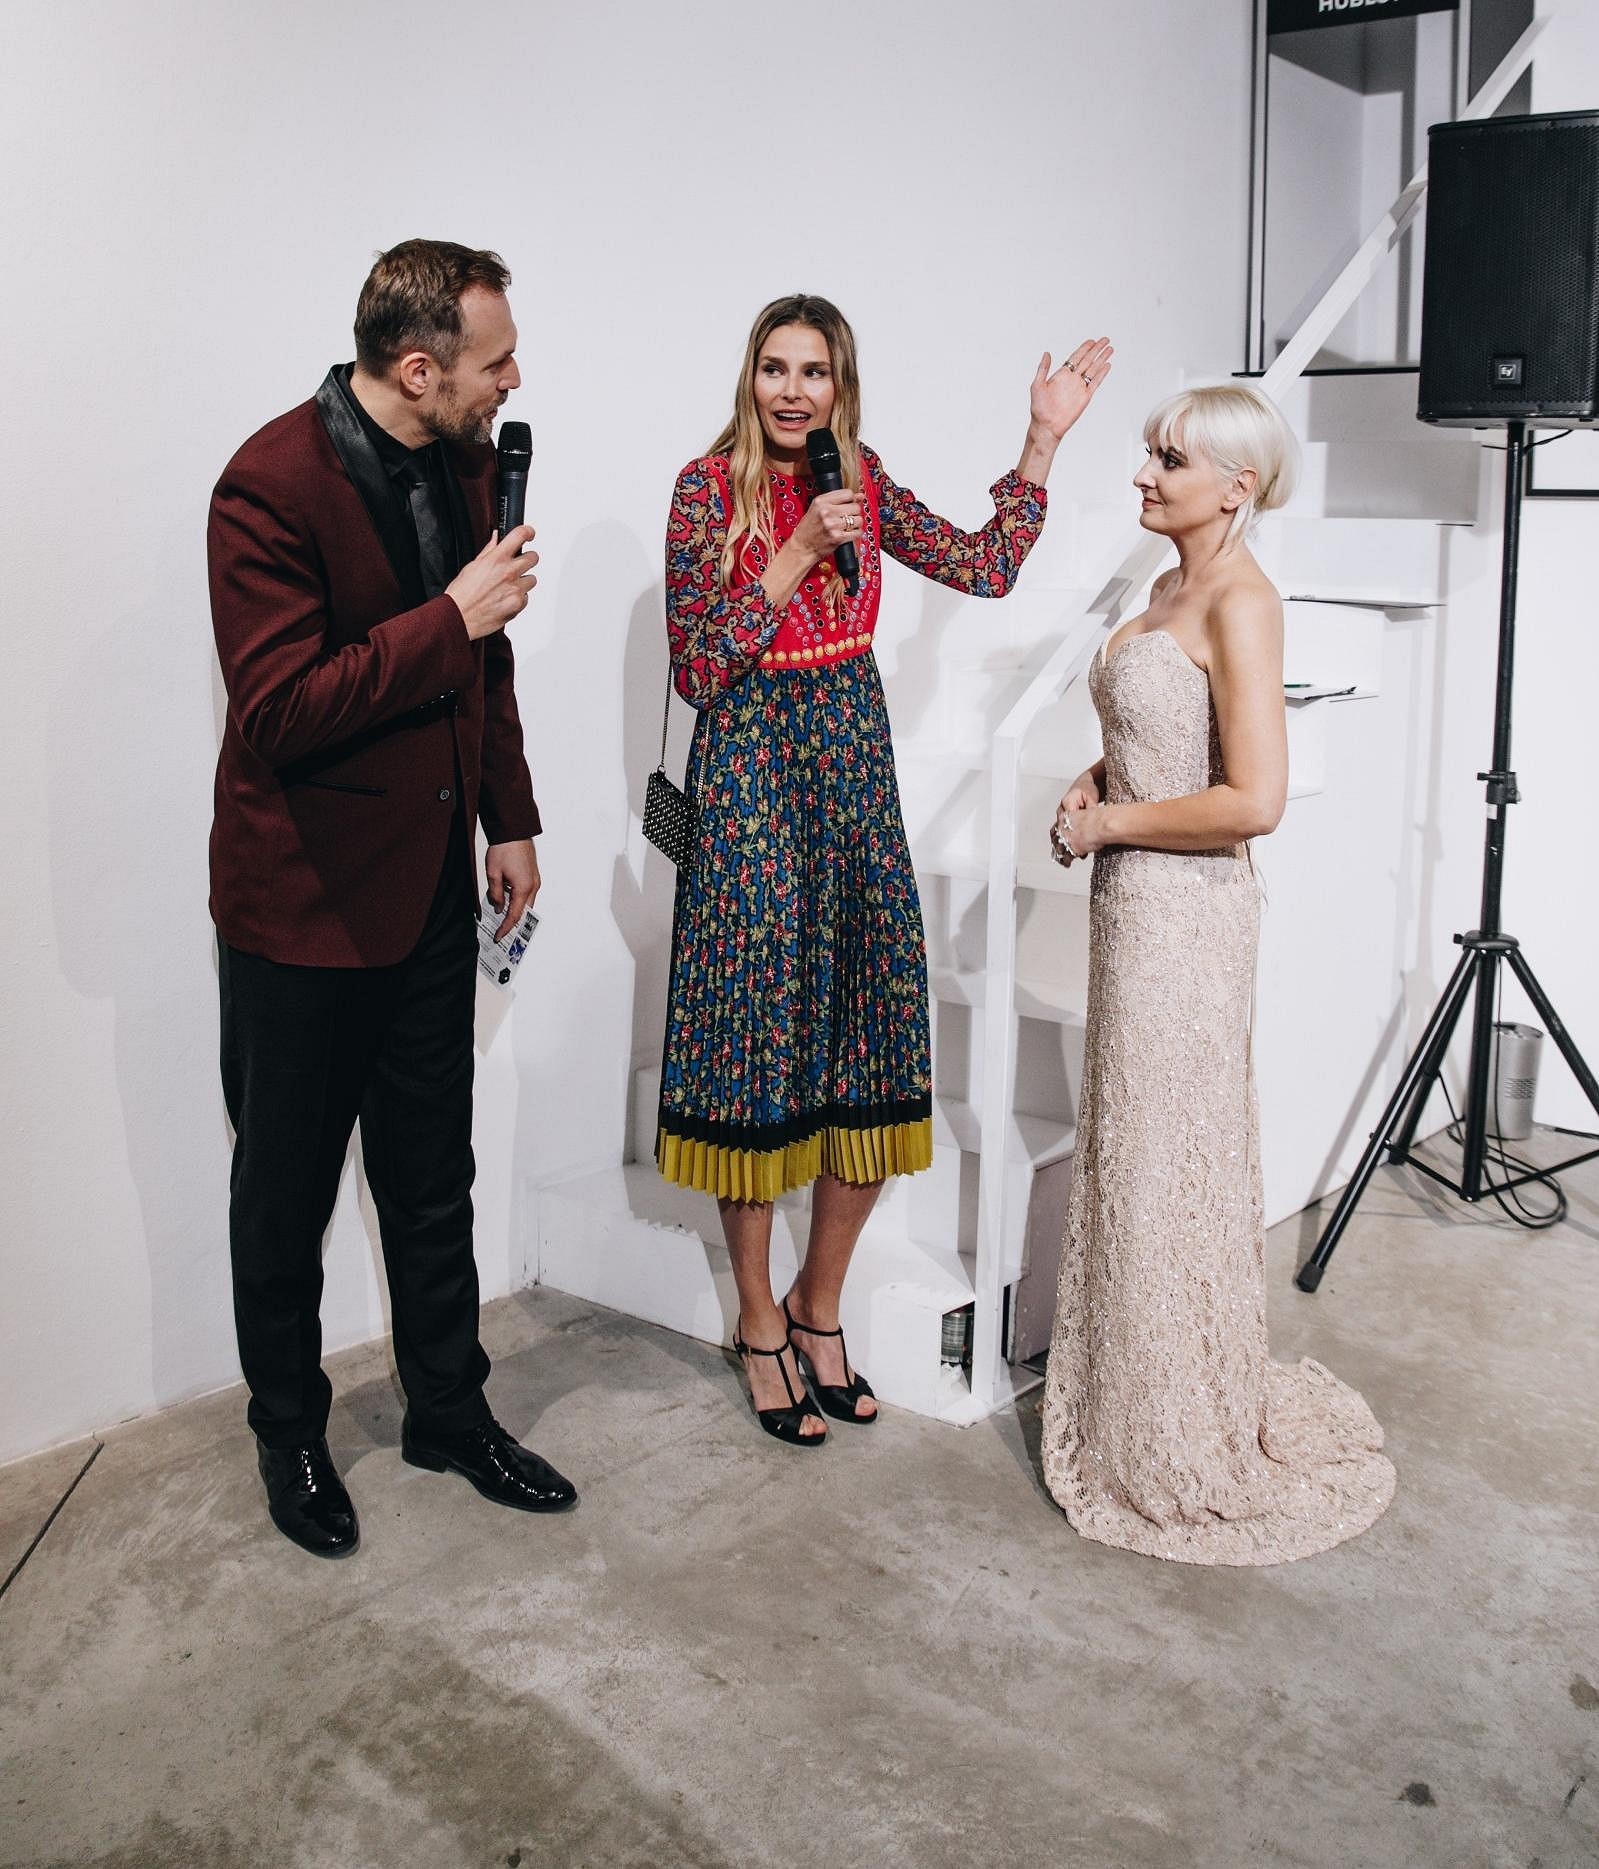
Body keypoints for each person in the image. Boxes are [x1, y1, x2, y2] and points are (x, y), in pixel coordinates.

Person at [657, 292, 1112, 1445]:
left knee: (875, 1027)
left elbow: (985, 567)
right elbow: (699, 671)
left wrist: (1042, 440)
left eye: (813, 371)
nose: (793, 390)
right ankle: (758, 1318)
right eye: (775, 368)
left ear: (841, 386)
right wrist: (796, 553)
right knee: (756, 1048)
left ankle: (820, 1306)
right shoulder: (705, 492)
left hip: (852, 774)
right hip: (751, 782)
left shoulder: (861, 479)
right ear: (750, 376)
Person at [208, 239, 577, 1557]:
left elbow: (486, 665)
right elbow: (281, 709)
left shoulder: (467, 464)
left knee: (431, 1181)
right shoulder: (267, 486)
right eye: (495, 361)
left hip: (426, 892)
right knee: (286, 1198)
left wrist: (507, 816)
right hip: (301, 912)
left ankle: (448, 1414)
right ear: (419, 370)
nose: (513, 380)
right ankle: (290, 1434)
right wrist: (449, 618)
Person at [1039, 383, 1395, 1564]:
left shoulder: (1245, 600)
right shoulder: (1164, 587)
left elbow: (1255, 799)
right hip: (1132, 909)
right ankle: (1132, 1408)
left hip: (1188, 921)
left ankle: (1179, 1433)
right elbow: (1164, 740)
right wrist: (1098, 775)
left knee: (1169, 1161)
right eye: (1149, 452)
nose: (1143, 474)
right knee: (1135, 1158)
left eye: (1169, 458)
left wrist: (1109, 826)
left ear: (1236, 486)